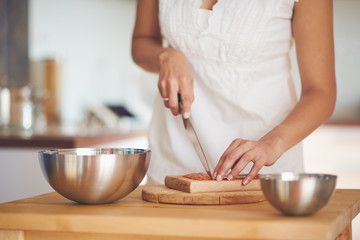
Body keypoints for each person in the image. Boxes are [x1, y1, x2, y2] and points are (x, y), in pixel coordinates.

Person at [132, 0, 336, 185]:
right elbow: (141, 41)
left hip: (262, 169)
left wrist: (271, 145)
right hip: (172, 162)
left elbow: (320, 92)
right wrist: (165, 55)